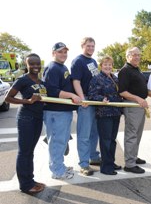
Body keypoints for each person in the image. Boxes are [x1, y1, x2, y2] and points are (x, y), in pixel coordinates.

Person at [5, 53, 46, 194]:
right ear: (26, 65)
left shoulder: (41, 81)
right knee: (24, 152)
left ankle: (30, 180)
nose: (35, 66)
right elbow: (8, 98)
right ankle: (25, 185)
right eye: (32, 64)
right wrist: (27, 101)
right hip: (26, 119)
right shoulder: (23, 80)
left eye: (37, 63)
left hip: (37, 118)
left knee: (30, 151)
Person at [42, 42, 81, 179]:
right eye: (60, 52)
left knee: (62, 141)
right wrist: (71, 95)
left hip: (63, 111)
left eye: (65, 52)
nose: (63, 54)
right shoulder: (52, 68)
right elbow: (51, 91)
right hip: (55, 111)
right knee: (57, 141)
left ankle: (60, 166)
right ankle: (57, 171)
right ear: (53, 53)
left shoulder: (62, 66)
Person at [71, 37, 101, 176]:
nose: (91, 48)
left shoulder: (93, 61)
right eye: (88, 46)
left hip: (95, 101)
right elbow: (76, 82)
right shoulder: (78, 61)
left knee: (95, 132)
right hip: (86, 102)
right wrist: (82, 99)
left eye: (93, 46)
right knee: (84, 134)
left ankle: (93, 156)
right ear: (82, 46)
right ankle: (84, 164)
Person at [88, 56, 123, 175]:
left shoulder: (114, 78)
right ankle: (106, 167)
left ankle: (111, 162)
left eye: (110, 64)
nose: (108, 67)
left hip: (116, 112)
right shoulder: (97, 79)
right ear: (101, 66)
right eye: (105, 64)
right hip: (104, 114)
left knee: (112, 140)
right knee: (106, 141)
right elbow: (92, 95)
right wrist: (101, 98)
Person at [118, 47, 148, 174]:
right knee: (131, 134)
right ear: (128, 56)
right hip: (132, 105)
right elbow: (122, 91)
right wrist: (138, 99)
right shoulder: (125, 71)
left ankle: (134, 157)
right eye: (134, 55)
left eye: (139, 55)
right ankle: (129, 164)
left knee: (138, 134)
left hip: (139, 105)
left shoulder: (136, 69)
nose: (137, 57)